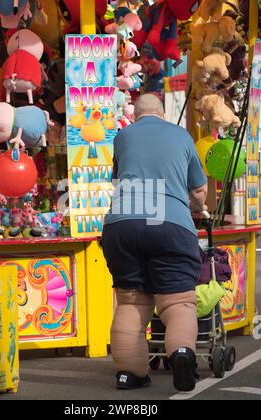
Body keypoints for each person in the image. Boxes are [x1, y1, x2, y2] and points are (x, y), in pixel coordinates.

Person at [102, 94, 208, 392]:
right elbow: (199, 190)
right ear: (162, 113)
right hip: (169, 222)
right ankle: (182, 354)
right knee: (178, 300)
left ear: (136, 115)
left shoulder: (123, 136)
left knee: (131, 301)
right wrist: (197, 207)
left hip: (122, 223)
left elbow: (119, 176)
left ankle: (129, 374)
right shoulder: (182, 136)